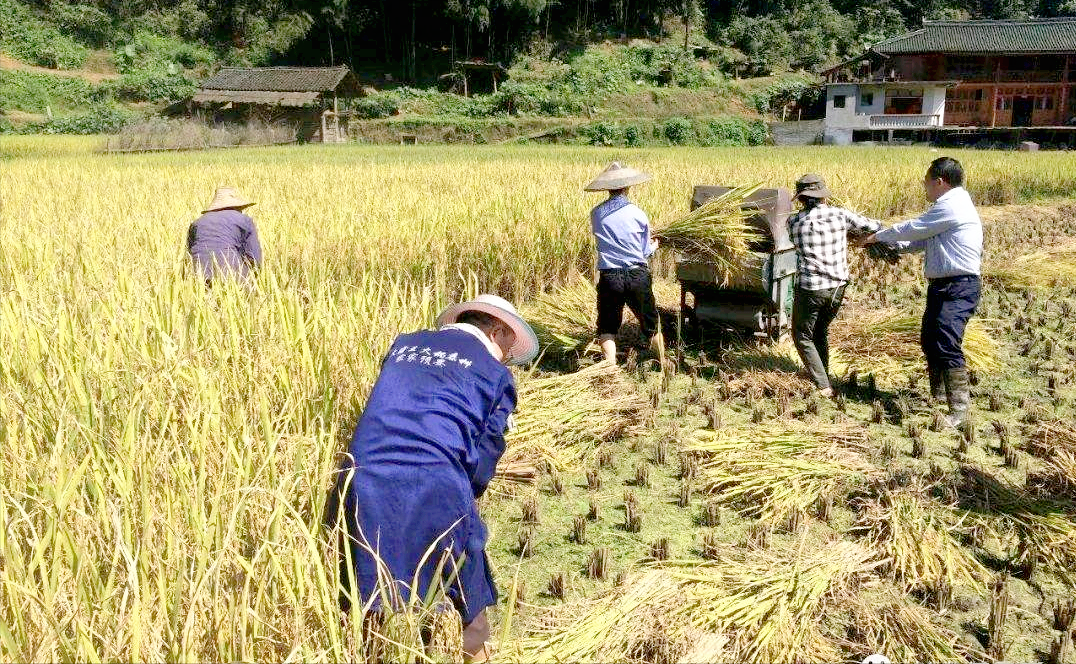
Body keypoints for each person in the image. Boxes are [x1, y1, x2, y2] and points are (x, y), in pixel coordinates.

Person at [326, 294, 538, 663]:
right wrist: (467, 494)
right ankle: (476, 652)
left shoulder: (404, 344)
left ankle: (374, 653)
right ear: (497, 328)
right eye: (508, 345)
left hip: (361, 474)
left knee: (371, 588)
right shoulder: (495, 375)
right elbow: (485, 453)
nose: (507, 355)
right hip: (436, 478)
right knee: (467, 591)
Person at [863, 157, 983, 427]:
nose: (924, 188)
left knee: (946, 341)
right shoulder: (950, 208)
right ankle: (938, 397)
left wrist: (878, 236)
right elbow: (920, 241)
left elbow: (913, 228)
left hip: (959, 285)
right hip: (942, 285)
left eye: (926, 183)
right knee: (930, 339)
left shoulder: (952, 206)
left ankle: (960, 412)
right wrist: (892, 248)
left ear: (939, 181)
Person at [787, 174, 890, 397]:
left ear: (802, 199)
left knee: (802, 334)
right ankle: (823, 374)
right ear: (823, 196)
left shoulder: (793, 222)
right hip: (837, 288)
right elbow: (874, 226)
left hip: (811, 288)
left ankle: (823, 385)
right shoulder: (840, 215)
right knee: (820, 330)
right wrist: (859, 238)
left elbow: (796, 243)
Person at [585, 162, 664, 365]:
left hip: (610, 277)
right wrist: (655, 245)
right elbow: (645, 250)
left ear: (607, 188)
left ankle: (609, 367)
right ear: (627, 187)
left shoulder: (596, 214)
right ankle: (663, 362)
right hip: (637, 275)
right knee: (651, 322)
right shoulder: (638, 214)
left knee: (607, 326)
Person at [187, 186, 262, 283]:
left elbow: (189, 251)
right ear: (236, 206)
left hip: (200, 275)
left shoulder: (197, 223)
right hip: (232, 273)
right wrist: (257, 279)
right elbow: (254, 257)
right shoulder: (244, 220)